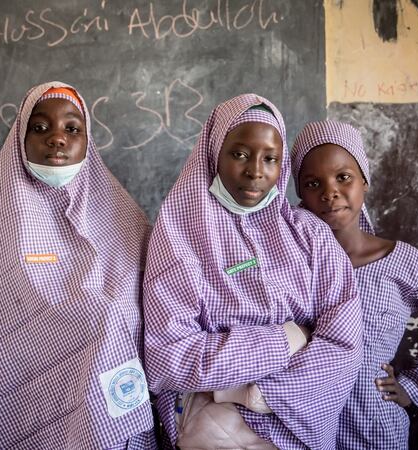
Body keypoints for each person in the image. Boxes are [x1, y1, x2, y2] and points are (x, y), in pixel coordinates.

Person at [142, 95, 363, 449]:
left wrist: (250, 391)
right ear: (215, 153)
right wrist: (287, 339)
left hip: (299, 431)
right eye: (240, 154)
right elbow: (168, 357)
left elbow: (343, 342)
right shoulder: (179, 235)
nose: (255, 171)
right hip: (211, 432)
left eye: (270, 158)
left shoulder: (310, 234)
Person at [0, 82, 155, 449]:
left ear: (87, 139)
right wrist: (98, 314)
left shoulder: (122, 215)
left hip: (110, 388)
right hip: (27, 394)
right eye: (40, 128)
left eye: (72, 129)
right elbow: (1, 316)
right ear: (20, 139)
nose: (56, 139)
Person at [290, 120, 418, 449]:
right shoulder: (291, 264)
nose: (329, 192)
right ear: (301, 195)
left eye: (343, 177)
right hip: (300, 430)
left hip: (372, 430)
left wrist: (413, 386)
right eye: (313, 183)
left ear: (365, 181)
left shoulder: (406, 264)